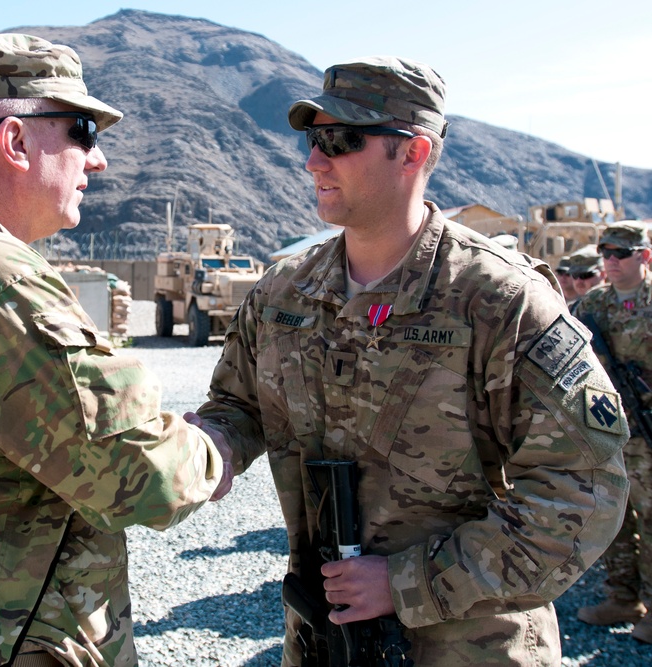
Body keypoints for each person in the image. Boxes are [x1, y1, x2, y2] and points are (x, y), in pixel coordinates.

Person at [193, 57, 630, 666]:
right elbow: (237, 406)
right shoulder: (283, 292)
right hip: (325, 638)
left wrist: (407, 581)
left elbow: (582, 492)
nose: (314, 160)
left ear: (414, 151)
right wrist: (209, 448)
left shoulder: (498, 301)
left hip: (465, 646)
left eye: (340, 140)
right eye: (313, 139)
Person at [0, 33, 231, 667]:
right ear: (16, 141)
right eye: (83, 131)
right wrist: (215, 448)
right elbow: (142, 479)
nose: (99, 160)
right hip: (9, 644)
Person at [572, 222, 652, 643]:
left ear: (645, 256)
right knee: (614, 518)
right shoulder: (593, 306)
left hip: (649, 433)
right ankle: (622, 597)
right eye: (606, 252)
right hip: (608, 429)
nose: (612, 260)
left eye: (622, 251)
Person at [566, 244, 605, 310]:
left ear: (602, 274)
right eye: (575, 275)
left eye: (585, 275)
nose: (579, 281)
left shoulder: (615, 304)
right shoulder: (572, 309)